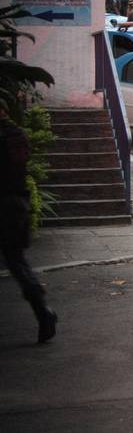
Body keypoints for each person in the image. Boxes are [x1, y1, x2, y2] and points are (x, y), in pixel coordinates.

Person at [0, 109, 57, 343]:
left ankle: (43, 312)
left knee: (15, 260)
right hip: (18, 203)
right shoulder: (18, 134)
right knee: (16, 260)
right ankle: (42, 311)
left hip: (4, 201)